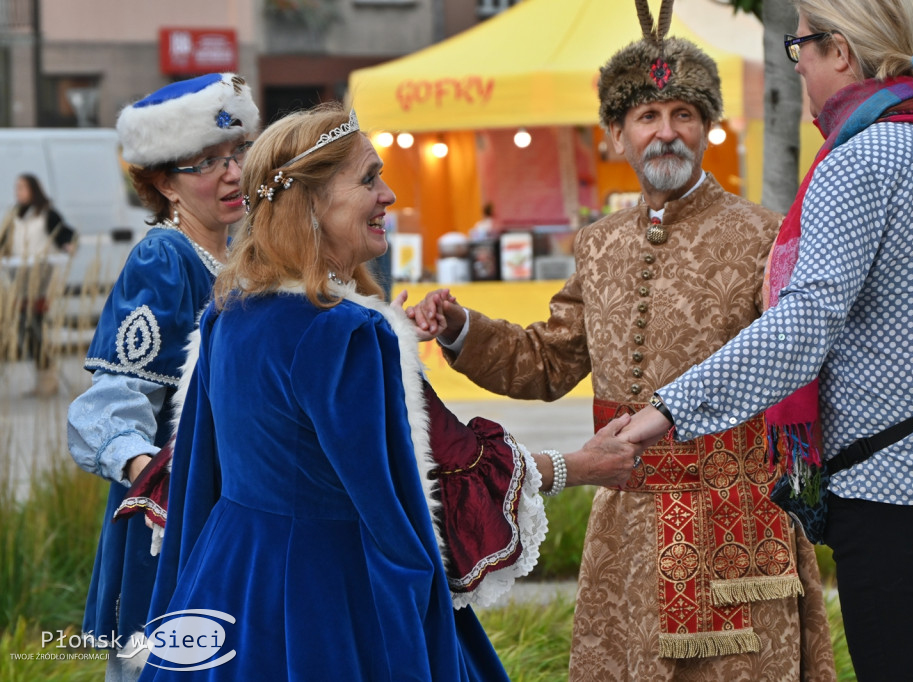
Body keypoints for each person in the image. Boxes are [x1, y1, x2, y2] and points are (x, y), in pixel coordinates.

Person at [135, 102, 640, 680]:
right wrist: (416, 650)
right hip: (326, 600)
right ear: (312, 205)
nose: (389, 196)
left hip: (230, 579)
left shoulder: (228, 316)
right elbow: (400, 523)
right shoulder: (347, 333)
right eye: (369, 179)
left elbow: (197, 485)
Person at [407, 3, 837, 679]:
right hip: (626, 524)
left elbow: (801, 365)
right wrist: (463, 328)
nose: (666, 133)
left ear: (706, 129)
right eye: (647, 117)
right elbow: (547, 364)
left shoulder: (764, 235)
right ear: (616, 135)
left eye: (683, 115)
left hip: (733, 523)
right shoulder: (599, 243)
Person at [620, 1, 913, 680]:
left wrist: (671, 409)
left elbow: (803, 326)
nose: (797, 61)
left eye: (800, 45)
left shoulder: (858, 162)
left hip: (905, 488)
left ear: (840, 51)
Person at [66, 72, 259, 681]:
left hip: (233, 507)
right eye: (206, 162)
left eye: (236, 153)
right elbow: (110, 407)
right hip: (171, 520)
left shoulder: (243, 254)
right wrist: (153, 481)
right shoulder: (165, 257)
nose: (233, 173)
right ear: (160, 182)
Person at [0, 173, 76, 396]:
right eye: (17, 188)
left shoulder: (47, 214)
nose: (18, 192)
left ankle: (48, 380)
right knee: (26, 328)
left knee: (35, 327)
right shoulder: (16, 215)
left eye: (22, 188)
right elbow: (4, 240)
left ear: (34, 190)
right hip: (19, 281)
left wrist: (67, 245)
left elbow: (66, 234)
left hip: (40, 280)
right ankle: (43, 377)